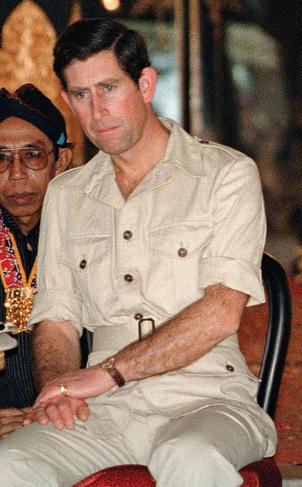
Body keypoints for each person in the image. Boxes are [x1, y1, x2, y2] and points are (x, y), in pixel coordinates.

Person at [0, 18, 275, 487]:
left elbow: (221, 313)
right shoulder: (68, 194)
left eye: (109, 87)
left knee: (185, 456)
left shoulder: (224, 174)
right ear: (67, 101)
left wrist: (107, 373)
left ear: (145, 83)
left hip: (208, 397)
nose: (98, 110)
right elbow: (58, 321)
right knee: (10, 463)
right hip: (103, 410)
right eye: (81, 95)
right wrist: (60, 388)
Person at [0, 84, 71, 438]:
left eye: (33, 155)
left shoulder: (94, 235)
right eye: (0, 157)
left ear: (61, 161)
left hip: (76, 419)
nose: (16, 174)